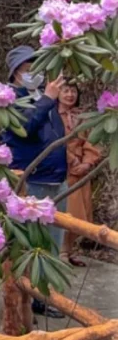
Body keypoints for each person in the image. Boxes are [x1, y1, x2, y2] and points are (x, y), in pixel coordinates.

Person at [0, 46, 67, 280]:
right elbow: (25, 129)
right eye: (28, 70)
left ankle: (44, 295)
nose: (35, 74)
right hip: (32, 181)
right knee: (34, 246)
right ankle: (32, 296)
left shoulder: (42, 97)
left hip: (56, 179)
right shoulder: (9, 99)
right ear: (15, 73)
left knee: (52, 245)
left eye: (37, 69)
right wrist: (48, 99)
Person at [58, 81, 104, 263]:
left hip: (81, 172)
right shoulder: (52, 115)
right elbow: (52, 142)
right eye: (65, 90)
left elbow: (93, 141)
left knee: (80, 212)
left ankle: (71, 250)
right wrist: (71, 159)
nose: (70, 95)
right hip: (61, 169)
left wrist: (87, 163)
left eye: (73, 91)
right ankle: (61, 250)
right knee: (64, 210)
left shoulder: (83, 116)